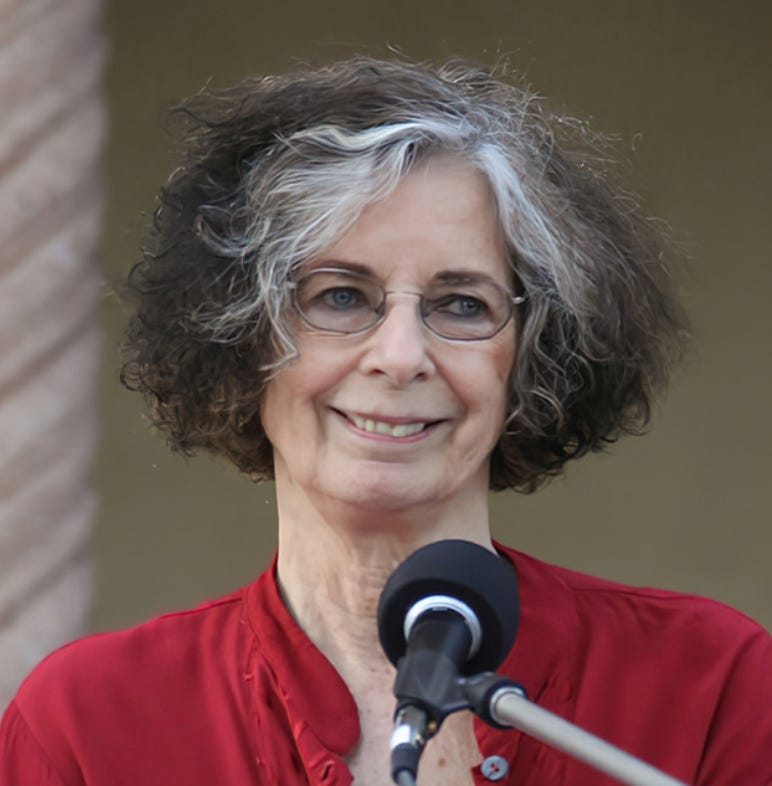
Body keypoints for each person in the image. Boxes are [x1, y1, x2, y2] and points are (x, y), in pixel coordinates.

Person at [1, 57, 769, 786]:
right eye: (339, 296)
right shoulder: (89, 723)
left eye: (461, 304)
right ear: (241, 336)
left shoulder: (709, 684)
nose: (401, 357)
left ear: (534, 354)